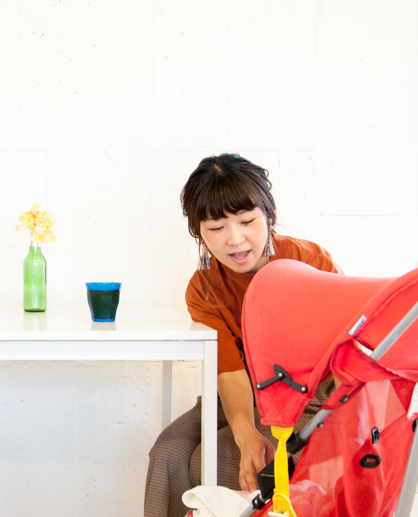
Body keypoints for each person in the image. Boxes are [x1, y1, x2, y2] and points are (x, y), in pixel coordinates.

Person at [143, 154, 341, 517]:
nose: (235, 240)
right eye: (216, 228)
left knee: (217, 456)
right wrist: (244, 428)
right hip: (238, 393)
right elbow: (230, 370)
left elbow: (348, 356)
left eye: (247, 221)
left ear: (268, 215)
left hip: (302, 395)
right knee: (168, 452)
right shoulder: (203, 287)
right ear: (199, 233)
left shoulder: (310, 263)